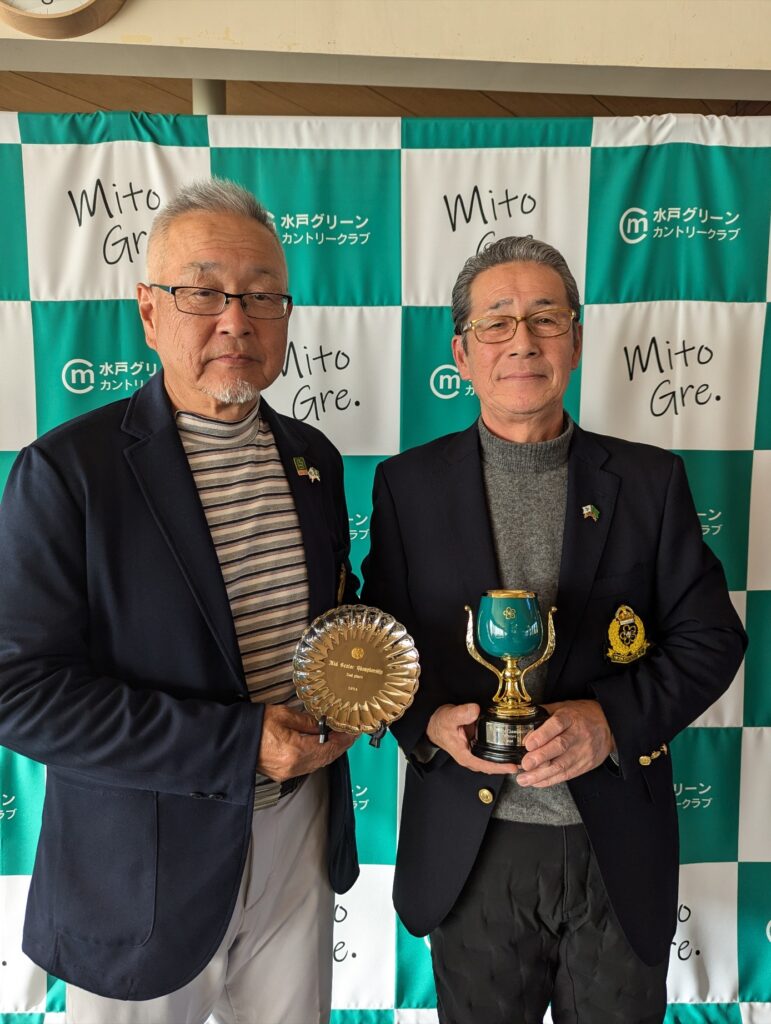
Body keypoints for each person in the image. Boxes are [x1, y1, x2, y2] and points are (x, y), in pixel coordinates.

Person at [0, 178, 359, 1024]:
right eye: (203, 292)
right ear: (149, 311)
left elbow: (327, 623)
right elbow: (19, 694)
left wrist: (359, 689)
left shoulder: (313, 458)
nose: (236, 320)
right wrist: (236, 745)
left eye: (262, 296)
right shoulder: (68, 472)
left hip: (298, 836)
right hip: (139, 869)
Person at [361, 236, 746, 1024]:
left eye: (545, 318)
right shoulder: (406, 486)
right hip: (471, 848)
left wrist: (609, 721)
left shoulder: (649, 482)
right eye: (496, 323)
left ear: (574, 340)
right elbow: (382, 648)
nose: (522, 342)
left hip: (613, 846)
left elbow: (711, 639)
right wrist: (426, 720)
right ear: (461, 354)